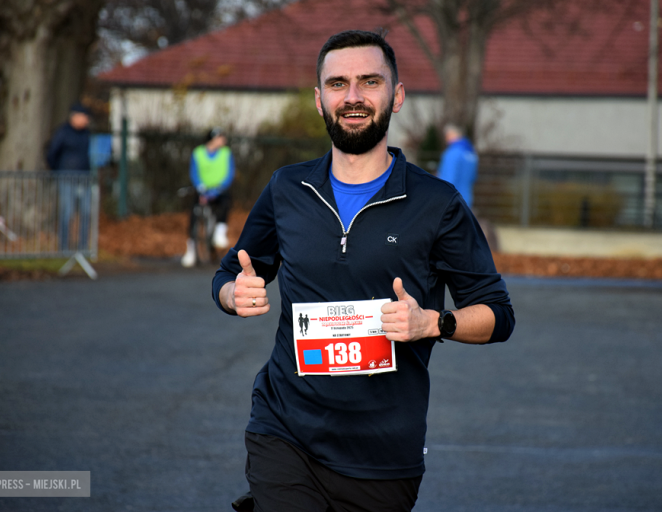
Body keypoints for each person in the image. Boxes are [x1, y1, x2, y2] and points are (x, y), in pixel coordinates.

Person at [213, 30, 514, 512]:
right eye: (337, 84)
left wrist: (433, 323)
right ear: (319, 99)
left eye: (369, 81)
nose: (352, 97)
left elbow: (499, 315)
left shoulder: (438, 205)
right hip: (285, 429)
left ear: (396, 96)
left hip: (383, 456)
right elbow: (229, 274)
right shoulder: (287, 188)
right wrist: (235, 293)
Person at [182, 127, 235, 267]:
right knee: (194, 214)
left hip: (219, 190)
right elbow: (194, 172)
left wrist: (218, 190)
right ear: (213, 139)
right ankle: (191, 249)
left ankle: (220, 231)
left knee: (226, 202)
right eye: (221, 137)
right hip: (202, 189)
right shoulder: (198, 153)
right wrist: (201, 188)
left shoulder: (226, 153)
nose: (224, 140)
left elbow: (229, 174)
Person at [47, 102, 92, 251]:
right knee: (68, 211)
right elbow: (52, 153)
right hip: (66, 178)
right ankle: (64, 246)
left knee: (86, 212)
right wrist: (58, 170)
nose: (87, 120)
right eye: (84, 117)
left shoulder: (86, 134)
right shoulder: (63, 132)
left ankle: (83, 246)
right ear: (75, 117)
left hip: (84, 178)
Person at [437, 123, 478, 211]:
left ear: (451, 134)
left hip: (452, 201)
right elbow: (473, 177)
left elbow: (448, 179)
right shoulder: (471, 153)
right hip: (467, 199)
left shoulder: (452, 153)